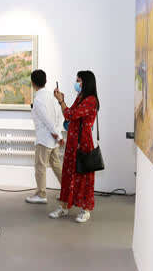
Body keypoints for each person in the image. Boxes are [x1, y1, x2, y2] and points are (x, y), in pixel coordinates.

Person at [49, 71, 99, 223]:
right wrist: (62, 102)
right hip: (73, 142)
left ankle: (85, 210)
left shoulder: (91, 100)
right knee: (68, 175)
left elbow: (71, 114)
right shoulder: (81, 97)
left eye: (79, 80)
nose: (76, 83)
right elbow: (70, 115)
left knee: (84, 177)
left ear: (86, 82)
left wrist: (61, 101)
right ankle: (64, 207)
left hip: (83, 143)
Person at [26, 69, 64, 204]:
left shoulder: (38, 99)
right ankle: (67, 192)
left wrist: (57, 135)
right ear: (46, 81)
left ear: (32, 83)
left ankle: (41, 194)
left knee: (40, 167)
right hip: (53, 140)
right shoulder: (53, 97)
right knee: (56, 165)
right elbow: (60, 116)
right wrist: (58, 135)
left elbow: (46, 120)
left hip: (44, 139)